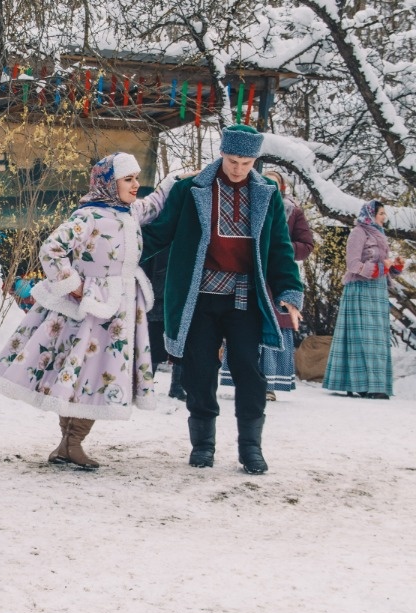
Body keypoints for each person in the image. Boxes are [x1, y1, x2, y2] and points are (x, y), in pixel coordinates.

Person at [0, 153, 179, 467]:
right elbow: (51, 249)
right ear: (109, 182)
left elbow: (155, 203)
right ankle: (71, 442)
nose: (135, 185)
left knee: (94, 372)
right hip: (91, 309)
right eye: (128, 179)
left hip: (118, 309)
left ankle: (69, 444)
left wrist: (177, 180)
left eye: (136, 178)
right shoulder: (88, 216)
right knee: (84, 372)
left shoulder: (130, 211)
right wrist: (72, 284)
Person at [141, 124, 304, 474]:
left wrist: (289, 290)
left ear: (255, 161)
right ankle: (203, 446)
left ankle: (251, 449)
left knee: (249, 370)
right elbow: (160, 232)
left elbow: (280, 247)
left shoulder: (267, 193)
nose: (238, 168)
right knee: (199, 371)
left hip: (244, 298)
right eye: (232, 160)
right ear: (222, 154)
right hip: (199, 296)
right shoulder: (192, 189)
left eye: (246, 163)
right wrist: (118, 249)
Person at [219, 171, 314, 400]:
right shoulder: (247, 201)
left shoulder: (292, 210)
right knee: (246, 323)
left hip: (276, 276)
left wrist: (279, 248)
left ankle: (269, 383)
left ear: (281, 187)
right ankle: (243, 379)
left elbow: (306, 244)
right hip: (250, 273)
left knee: (273, 325)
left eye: (274, 180)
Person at [323, 200, 400, 399]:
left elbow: (383, 265)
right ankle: (360, 384)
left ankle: (376, 384)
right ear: (370, 214)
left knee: (376, 339)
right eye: (381, 213)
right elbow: (353, 264)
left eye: (384, 213)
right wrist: (380, 268)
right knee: (361, 336)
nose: (384, 217)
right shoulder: (358, 232)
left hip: (377, 291)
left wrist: (394, 267)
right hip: (360, 288)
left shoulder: (380, 234)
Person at [145, 246, 187, 400]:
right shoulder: (159, 234)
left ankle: (177, 387)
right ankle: (146, 386)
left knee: (180, 343)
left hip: (176, 298)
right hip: (158, 297)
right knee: (154, 344)